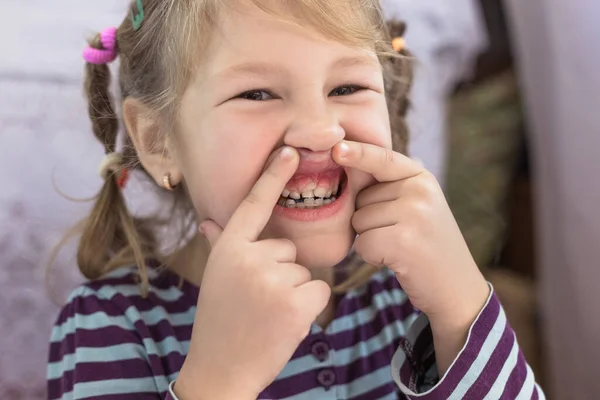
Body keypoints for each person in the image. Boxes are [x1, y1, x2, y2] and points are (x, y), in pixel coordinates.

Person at [47, 0, 544, 399]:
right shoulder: (108, 328)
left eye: (347, 86)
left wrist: (461, 308)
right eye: (257, 94)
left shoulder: (408, 299)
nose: (319, 130)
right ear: (159, 143)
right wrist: (219, 383)